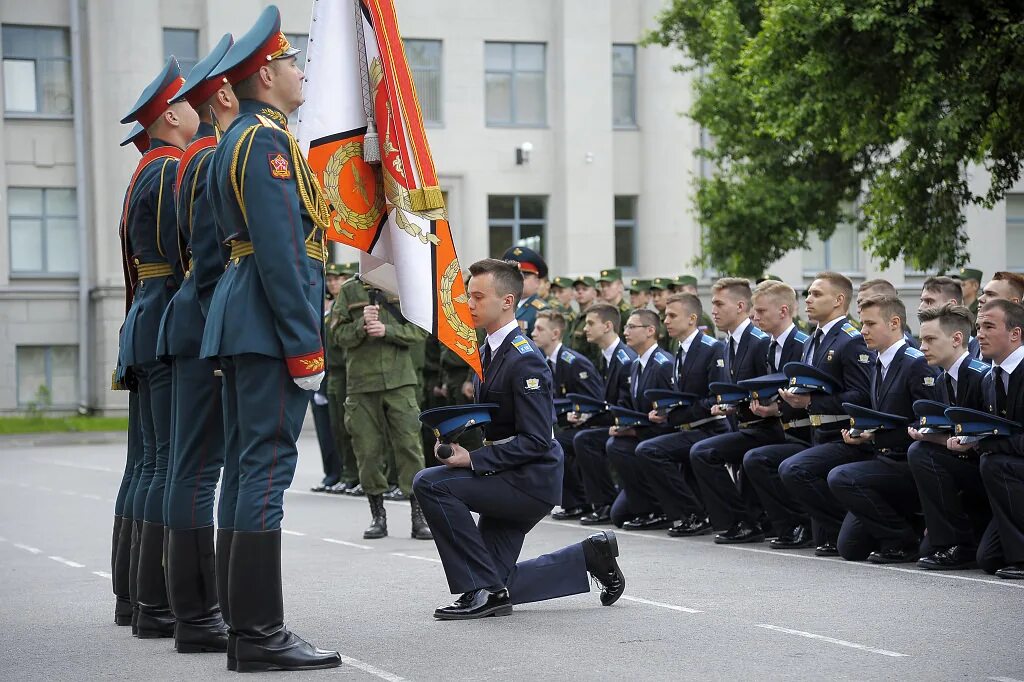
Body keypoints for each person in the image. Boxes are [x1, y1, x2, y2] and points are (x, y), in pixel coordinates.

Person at [199, 7, 340, 670]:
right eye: (290, 61)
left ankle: (244, 627)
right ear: (265, 73)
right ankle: (258, 634)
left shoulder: (249, 137)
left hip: (245, 315)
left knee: (248, 470)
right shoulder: (265, 142)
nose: (299, 70)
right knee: (263, 473)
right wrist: (306, 345)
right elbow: (285, 251)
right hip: (266, 318)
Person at [412, 258, 626, 619]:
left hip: (529, 480)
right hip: (508, 473)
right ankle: (590, 555)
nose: (469, 304)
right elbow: (497, 421)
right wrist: (454, 438)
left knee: (431, 484)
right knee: (500, 579)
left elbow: (538, 440)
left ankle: (479, 589)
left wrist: (473, 460)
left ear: (507, 301)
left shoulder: (525, 359)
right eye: (468, 296)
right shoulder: (489, 352)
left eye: (478, 297)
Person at [155, 34, 237, 654]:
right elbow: (209, 259)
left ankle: (191, 615)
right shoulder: (211, 158)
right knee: (198, 470)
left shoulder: (195, 158)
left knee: (190, 469)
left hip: (189, 317)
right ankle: (199, 617)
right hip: (204, 321)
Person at [118, 55, 197, 639]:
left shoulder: (146, 169)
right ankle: (159, 603)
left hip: (143, 318)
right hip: (166, 317)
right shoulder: (171, 169)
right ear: (170, 116)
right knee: (170, 464)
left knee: (147, 464)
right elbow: (182, 250)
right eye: (188, 102)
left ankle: (135, 596)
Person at [748, 272, 873, 556]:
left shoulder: (850, 340)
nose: (808, 300)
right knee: (825, 543)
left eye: (817, 294)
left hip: (842, 434)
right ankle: (843, 529)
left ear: (839, 300)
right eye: (808, 294)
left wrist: (810, 402)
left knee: (794, 470)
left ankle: (858, 525)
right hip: (819, 432)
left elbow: (862, 396)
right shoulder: (813, 340)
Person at [690, 280, 808, 544]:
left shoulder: (761, 342)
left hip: (777, 429)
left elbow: (780, 391)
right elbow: (756, 389)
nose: (756, 316)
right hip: (756, 424)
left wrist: (772, 408)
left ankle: (756, 522)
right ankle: (744, 520)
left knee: (718, 454)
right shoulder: (737, 342)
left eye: (719, 303)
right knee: (705, 452)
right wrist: (734, 404)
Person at [824, 295, 939, 563]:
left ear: (894, 323)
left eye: (869, 324)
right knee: (850, 548)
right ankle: (902, 527)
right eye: (862, 323)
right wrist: (865, 433)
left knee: (841, 477)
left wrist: (878, 434)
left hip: (907, 461)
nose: (862, 331)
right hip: (884, 458)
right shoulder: (878, 361)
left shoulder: (915, 361)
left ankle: (902, 541)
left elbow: (928, 419)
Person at [332, 276, 431, 540]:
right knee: (367, 450)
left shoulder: (403, 285)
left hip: (400, 381)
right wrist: (361, 324)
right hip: (361, 384)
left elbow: (420, 330)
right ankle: (377, 516)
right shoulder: (349, 290)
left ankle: (418, 515)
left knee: (410, 447)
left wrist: (388, 331)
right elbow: (336, 335)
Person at [632, 294, 726, 536]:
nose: (666, 321)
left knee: (649, 450)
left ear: (692, 318)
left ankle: (693, 514)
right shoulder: (679, 349)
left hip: (708, 427)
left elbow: (716, 397)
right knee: (646, 448)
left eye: (672, 316)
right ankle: (686, 512)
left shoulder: (712, 347)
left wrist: (676, 414)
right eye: (665, 316)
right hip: (687, 428)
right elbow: (681, 396)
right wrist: (665, 412)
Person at [907, 304, 991, 570]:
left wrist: (939, 441)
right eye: (921, 339)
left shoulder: (980, 376)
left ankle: (959, 544)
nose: (922, 347)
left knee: (920, 453)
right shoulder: (943, 379)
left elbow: (987, 434)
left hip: (989, 470)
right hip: (968, 466)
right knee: (920, 451)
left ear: (956, 339)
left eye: (931, 339)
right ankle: (948, 539)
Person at [948, 300, 1024, 579]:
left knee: (993, 463)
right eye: (979, 327)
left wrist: (984, 444)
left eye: (989, 326)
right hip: (1012, 475)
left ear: (1015, 334)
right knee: (989, 559)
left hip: (1012, 471)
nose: (980, 333)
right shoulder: (990, 378)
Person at [530, 310, 604, 520]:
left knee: (555, 445)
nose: (533, 333)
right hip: (563, 424)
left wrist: (578, 414)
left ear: (555, 334)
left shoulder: (573, 362)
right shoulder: (541, 360)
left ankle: (579, 500)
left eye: (539, 329)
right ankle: (567, 500)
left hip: (587, 425)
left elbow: (595, 400)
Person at [571, 303, 638, 525]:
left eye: (591, 323)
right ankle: (597, 501)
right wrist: (586, 415)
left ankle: (605, 502)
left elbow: (625, 406)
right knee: (580, 434)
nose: (586, 328)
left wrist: (593, 419)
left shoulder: (624, 358)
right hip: (616, 420)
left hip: (632, 426)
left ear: (608, 325)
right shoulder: (606, 356)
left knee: (585, 440)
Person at [310, 263, 345, 493]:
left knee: (341, 428)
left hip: (341, 372)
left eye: (338, 279)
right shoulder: (323, 308)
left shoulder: (345, 307)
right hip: (320, 372)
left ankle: (343, 473)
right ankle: (331, 473)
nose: (332, 283)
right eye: (330, 279)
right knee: (324, 427)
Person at [918, 276, 981, 358]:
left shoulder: (977, 350)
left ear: (951, 304)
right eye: (921, 301)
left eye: (929, 301)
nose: (921, 307)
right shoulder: (927, 352)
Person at [502, 246, 549, 336]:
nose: (519, 280)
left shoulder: (542, 310)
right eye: (514, 276)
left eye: (525, 276)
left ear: (537, 282)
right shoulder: (500, 304)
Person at [566, 275, 602, 365]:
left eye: (584, 289)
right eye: (577, 289)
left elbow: (597, 353)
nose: (580, 292)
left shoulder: (596, 318)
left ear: (594, 293)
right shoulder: (577, 317)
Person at [597, 268, 634, 332]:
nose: (604, 289)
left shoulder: (627, 313)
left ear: (620, 286)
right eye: (602, 286)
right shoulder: (605, 312)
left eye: (608, 285)